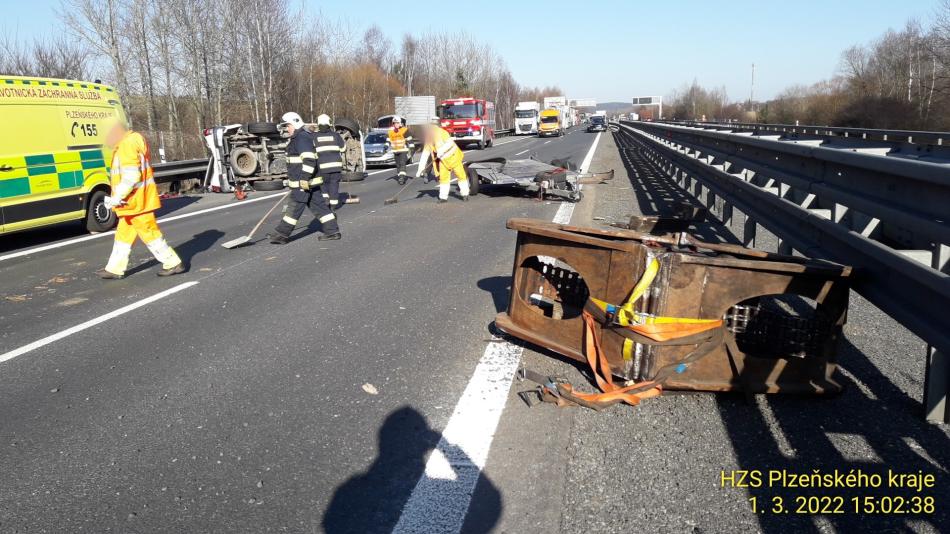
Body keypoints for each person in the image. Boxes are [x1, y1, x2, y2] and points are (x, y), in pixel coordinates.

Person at [96, 120, 185, 279]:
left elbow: (131, 175)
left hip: (136, 202)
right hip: (133, 202)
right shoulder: (134, 140)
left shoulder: (126, 144)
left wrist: (117, 197)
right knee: (123, 236)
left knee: (150, 234)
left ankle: (173, 263)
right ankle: (115, 268)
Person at [268, 112, 341, 244]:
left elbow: (309, 159)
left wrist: (304, 179)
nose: (286, 129)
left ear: (294, 124)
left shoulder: (301, 138)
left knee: (294, 207)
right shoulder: (301, 137)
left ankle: (281, 234)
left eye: (287, 126)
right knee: (320, 207)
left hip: (304, 183)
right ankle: (332, 231)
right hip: (308, 182)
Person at [416, 118, 469, 203]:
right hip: (443, 161)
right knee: (443, 178)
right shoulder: (429, 139)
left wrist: (441, 150)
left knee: (461, 175)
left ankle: (465, 194)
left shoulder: (442, 133)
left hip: (453, 157)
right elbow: (425, 155)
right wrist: (420, 168)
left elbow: (450, 143)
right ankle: (443, 197)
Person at [313, 114, 346, 210]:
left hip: (322, 167)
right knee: (334, 185)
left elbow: (312, 150)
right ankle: (334, 205)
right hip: (336, 167)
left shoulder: (314, 136)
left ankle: (326, 200)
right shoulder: (336, 135)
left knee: (323, 185)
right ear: (329, 123)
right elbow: (343, 148)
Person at [387, 115, 414, 185]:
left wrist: (412, 148)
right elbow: (388, 139)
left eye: (397, 123)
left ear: (400, 123)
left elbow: (410, 140)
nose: (396, 124)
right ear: (393, 124)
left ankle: (401, 177)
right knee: (398, 165)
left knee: (402, 163)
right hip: (395, 151)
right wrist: (385, 146)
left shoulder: (404, 130)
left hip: (403, 150)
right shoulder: (390, 131)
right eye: (395, 123)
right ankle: (400, 176)